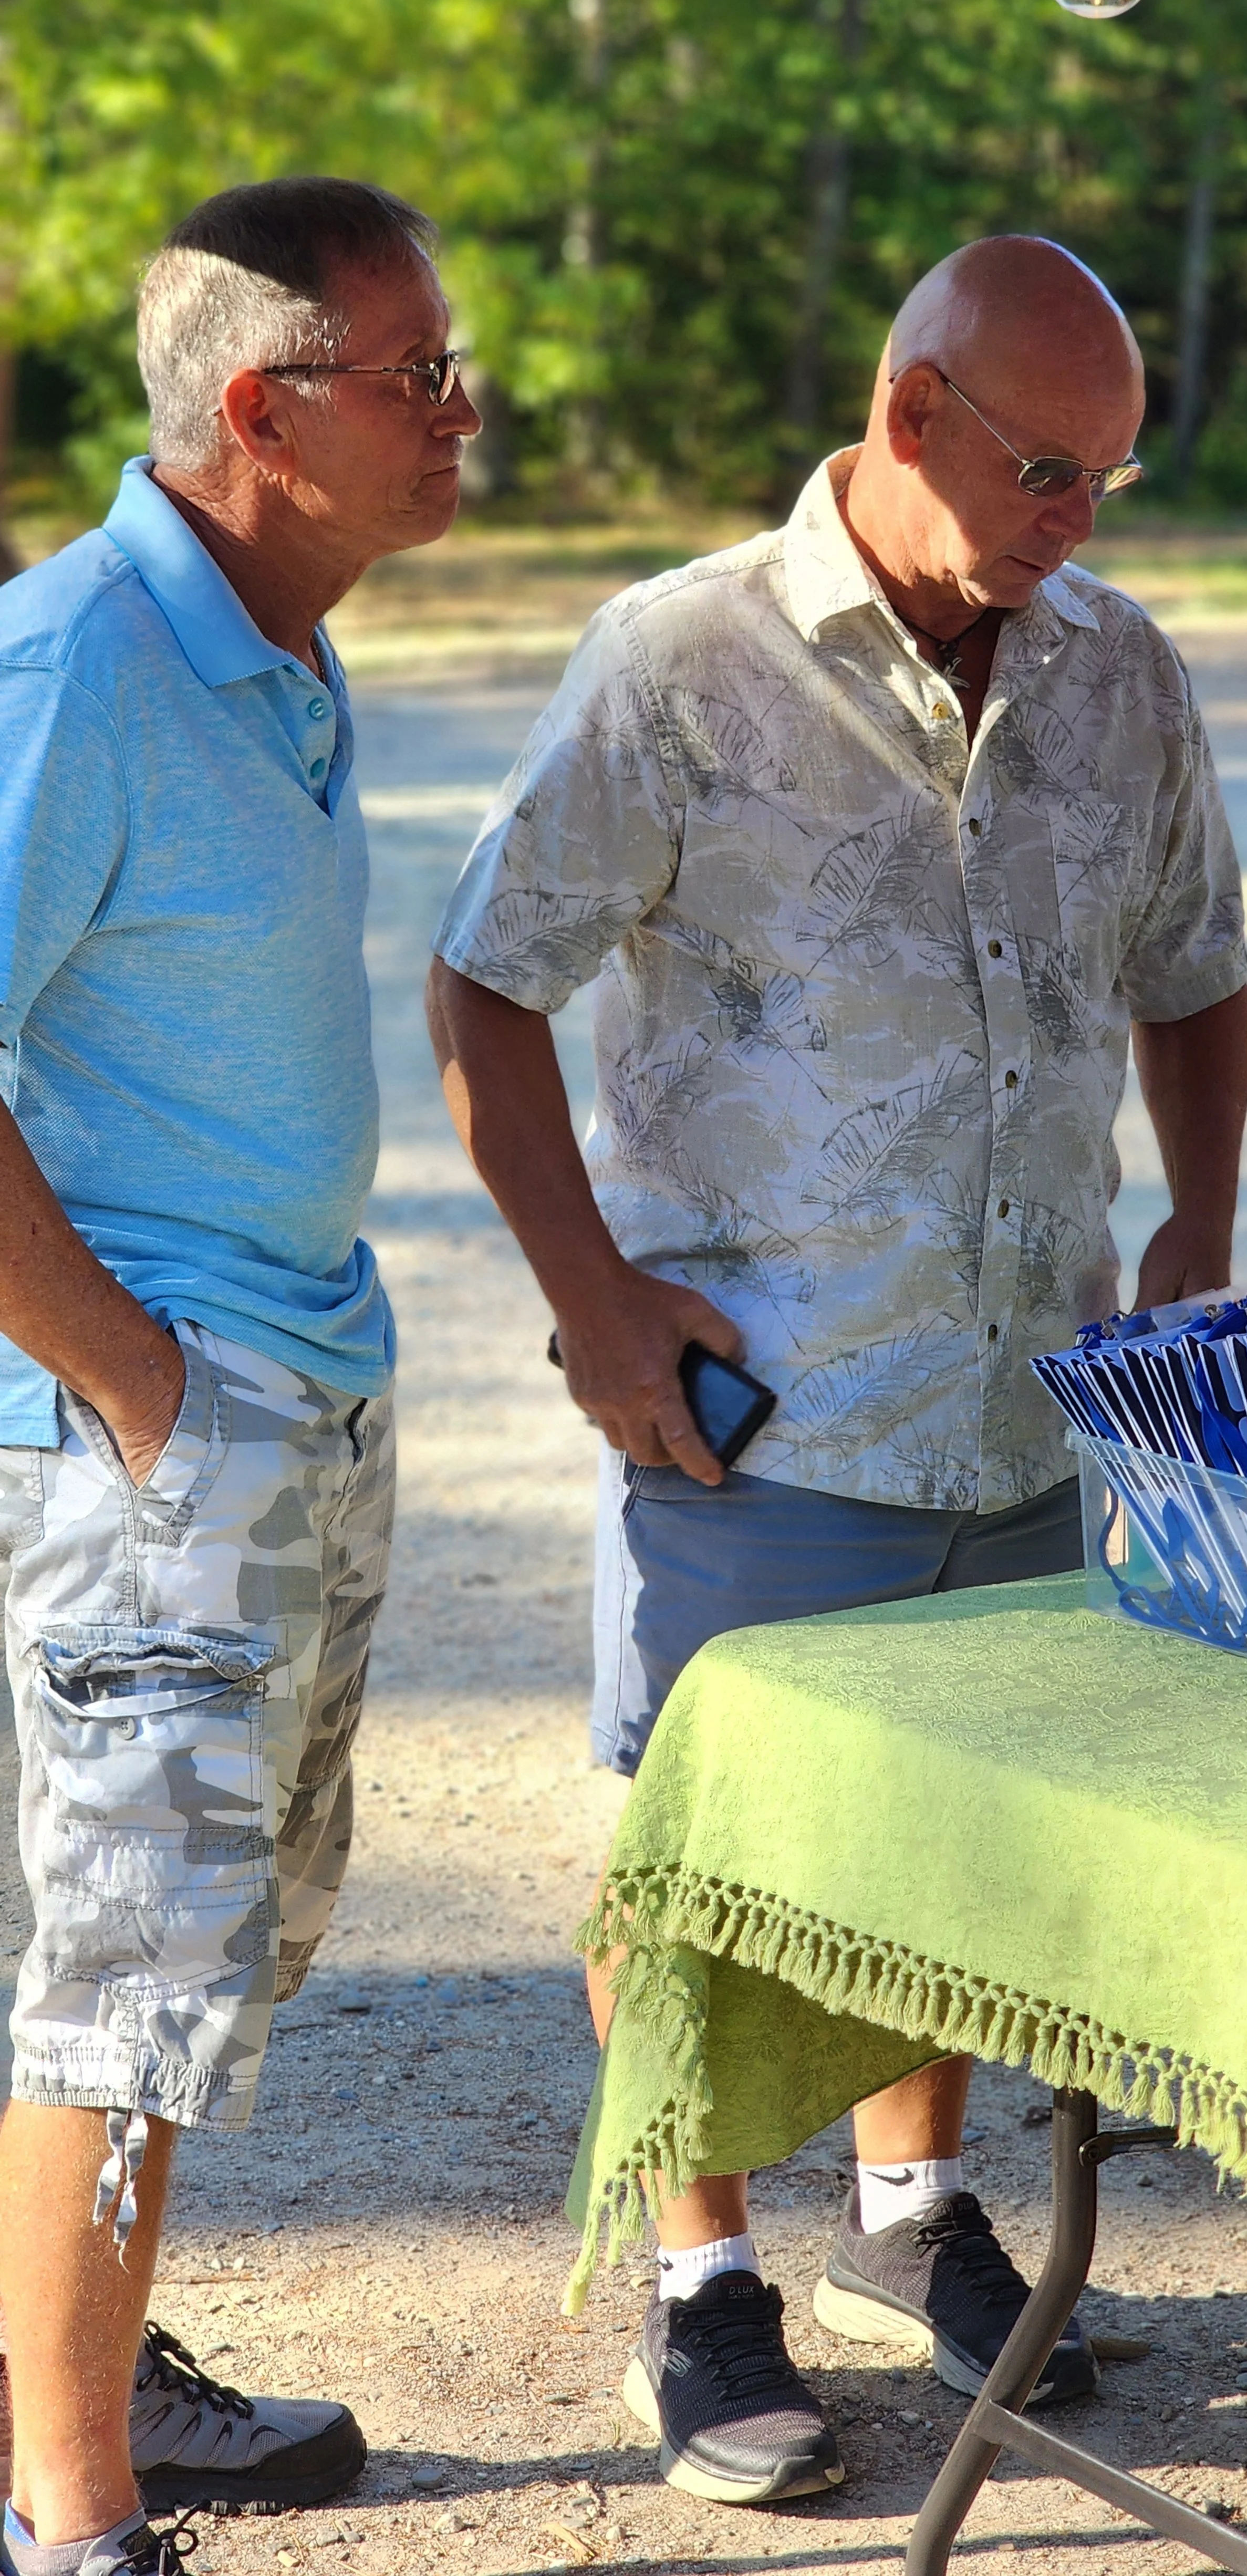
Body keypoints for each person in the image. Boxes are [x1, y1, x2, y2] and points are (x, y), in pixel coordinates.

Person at [428, 235, 1247, 2507]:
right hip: (765, 1403)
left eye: (1115, 472)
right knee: (699, 1857)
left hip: (1031, 1397)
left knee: (954, 1848)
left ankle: (912, 2220)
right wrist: (593, 1304)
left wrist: (1191, 1226)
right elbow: (485, 983)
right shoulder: (675, 663)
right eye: (1050, 466)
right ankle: (701, 2284)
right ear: (908, 420)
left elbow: (1194, 975)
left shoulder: (1120, 677)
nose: (1084, 513)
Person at [0, 177, 482, 2576]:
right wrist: (142, 1398)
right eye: (421, 376)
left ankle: (68, 2401)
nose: (463, 414)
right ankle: (71, 2523)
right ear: (265, 408)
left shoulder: (279, 647)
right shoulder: (77, 660)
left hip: (295, 1397)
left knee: (202, 1960)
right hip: (155, 1442)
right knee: (120, 1992)